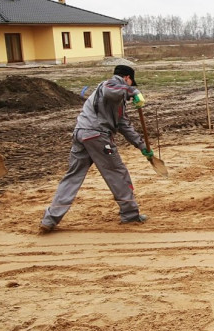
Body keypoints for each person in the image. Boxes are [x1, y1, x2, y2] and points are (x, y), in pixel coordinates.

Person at [39, 63, 153, 232]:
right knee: (117, 172)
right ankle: (130, 215)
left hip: (82, 135)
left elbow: (123, 124)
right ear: (127, 78)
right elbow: (110, 89)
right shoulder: (110, 84)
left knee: (72, 176)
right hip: (98, 137)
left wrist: (142, 146)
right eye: (130, 83)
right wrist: (133, 92)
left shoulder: (116, 99)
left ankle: (50, 219)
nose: (130, 87)